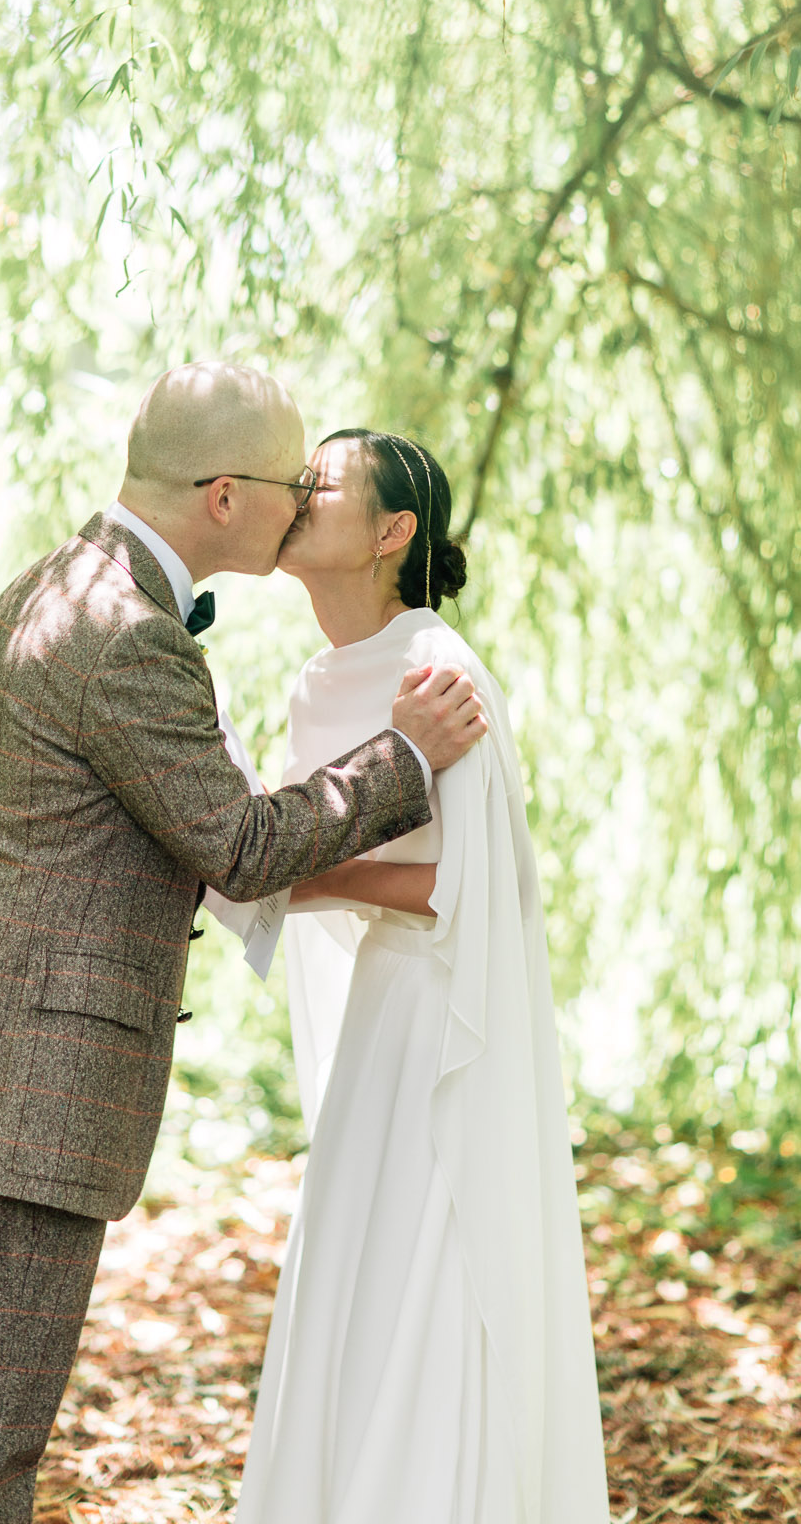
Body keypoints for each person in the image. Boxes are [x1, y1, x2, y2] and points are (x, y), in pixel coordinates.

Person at [0, 365, 487, 1524]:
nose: (304, 502)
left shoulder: (54, 585)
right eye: (292, 484)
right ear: (226, 496)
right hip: (20, 1099)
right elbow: (240, 844)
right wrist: (402, 755)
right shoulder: (127, 636)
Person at [236, 429, 610, 1524]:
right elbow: (297, 842)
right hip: (377, 1014)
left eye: (322, 483)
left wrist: (290, 869)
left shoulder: (437, 667)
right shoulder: (317, 681)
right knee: (357, 1266)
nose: (296, 492)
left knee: (429, 1258)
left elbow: (473, 882)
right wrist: (257, 860)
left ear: (391, 531)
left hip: (441, 1007)